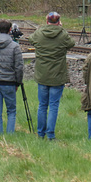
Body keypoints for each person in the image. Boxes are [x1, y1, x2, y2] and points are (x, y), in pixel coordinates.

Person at [29, 11, 75, 140]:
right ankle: (50, 134)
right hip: (58, 75)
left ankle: (40, 133)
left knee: (42, 105)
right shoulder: (63, 34)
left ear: (47, 21)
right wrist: (61, 28)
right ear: (59, 22)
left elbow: (31, 39)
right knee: (53, 105)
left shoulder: (39, 33)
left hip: (42, 74)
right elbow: (72, 43)